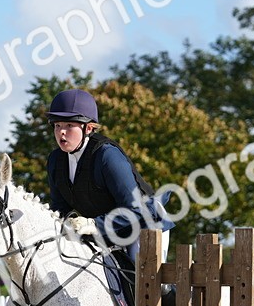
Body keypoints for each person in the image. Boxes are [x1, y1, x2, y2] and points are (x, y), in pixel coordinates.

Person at [43, 88, 173, 263]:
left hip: (144, 226)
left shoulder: (106, 156)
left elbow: (135, 210)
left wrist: (94, 224)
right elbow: (60, 208)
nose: (61, 132)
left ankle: (168, 290)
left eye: (69, 126)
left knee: (145, 282)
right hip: (106, 231)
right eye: (57, 125)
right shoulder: (55, 160)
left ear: (88, 128)